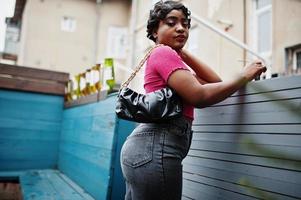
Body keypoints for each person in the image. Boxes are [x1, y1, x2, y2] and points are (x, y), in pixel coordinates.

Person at [120, 1, 267, 200]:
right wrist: (245, 75)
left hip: (147, 149)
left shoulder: (170, 59)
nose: (181, 28)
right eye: (171, 23)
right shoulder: (163, 53)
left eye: (185, 24)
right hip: (156, 147)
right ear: (155, 31)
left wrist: (184, 54)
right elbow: (200, 96)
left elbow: (213, 83)